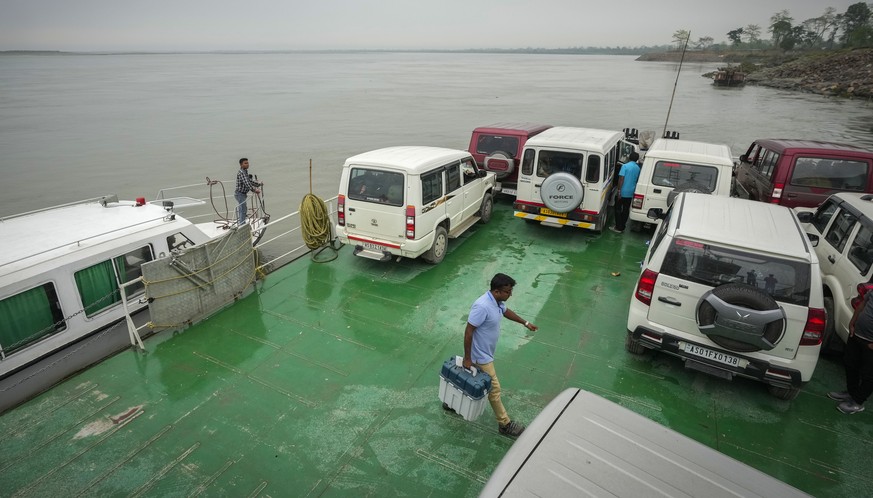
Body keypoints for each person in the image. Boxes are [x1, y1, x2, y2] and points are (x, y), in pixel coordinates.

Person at [462, 273, 538, 437]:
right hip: (480, 357)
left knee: (471, 380)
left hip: (486, 352)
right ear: (497, 291)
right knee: (494, 389)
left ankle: (452, 403)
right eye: (507, 292)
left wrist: (525, 323)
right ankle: (505, 424)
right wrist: (468, 358)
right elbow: (468, 332)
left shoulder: (497, 302)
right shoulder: (482, 306)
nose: (510, 294)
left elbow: (505, 311)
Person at [828, 289, 873, 414]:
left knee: (868, 375)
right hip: (857, 334)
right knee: (850, 363)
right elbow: (862, 305)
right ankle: (851, 393)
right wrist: (853, 322)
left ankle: (858, 402)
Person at [611, 151, 641, 233]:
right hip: (631, 193)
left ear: (629, 157)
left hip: (623, 191)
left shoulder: (625, 166)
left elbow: (621, 179)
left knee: (617, 209)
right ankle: (623, 226)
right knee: (626, 209)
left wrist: (619, 191)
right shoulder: (638, 168)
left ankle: (618, 227)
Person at [235, 158, 261, 226]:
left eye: (248, 163)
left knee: (242, 209)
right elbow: (247, 184)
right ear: (241, 164)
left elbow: (249, 181)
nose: (247, 164)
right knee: (243, 209)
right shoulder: (241, 173)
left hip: (242, 194)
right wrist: (255, 190)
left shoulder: (245, 171)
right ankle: (242, 225)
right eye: (245, 163)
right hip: (240, 194)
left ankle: (241, 222)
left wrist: (258, 184)